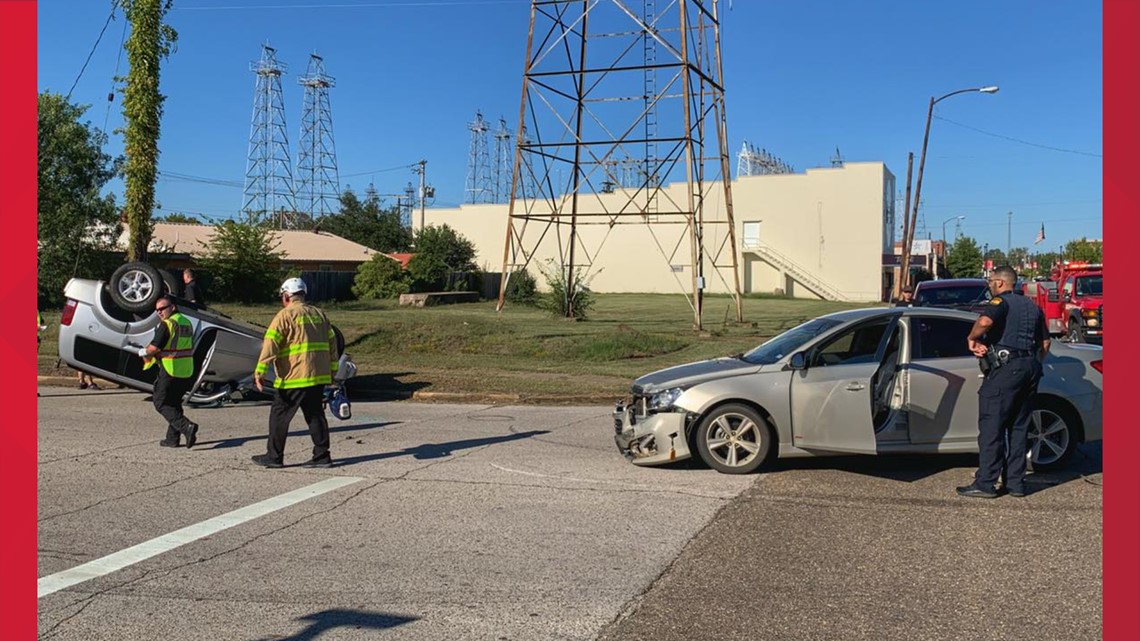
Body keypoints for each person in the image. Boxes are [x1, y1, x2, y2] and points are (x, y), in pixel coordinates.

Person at [957, 265, 1049, 499]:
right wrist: (1031, 362)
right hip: (1031, 369)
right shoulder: (1033, 307)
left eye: (990, 281)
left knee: (992, 427)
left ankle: (985, 483)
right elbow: (1045, 344)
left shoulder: (1000, 303)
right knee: (1019, 429)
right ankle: (1016, 484)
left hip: (1006, 370)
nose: (989, 285)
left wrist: (971, 337)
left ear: (999, 282)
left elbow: (986, 322)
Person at [251, 277, 340, 469]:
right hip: (318, 376)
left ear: (286, 296)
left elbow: (270, 344)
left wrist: (260, 371)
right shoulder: (320, 315)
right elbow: (333, 346)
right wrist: (333, 372)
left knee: (279, 416)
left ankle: (274, 456)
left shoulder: (285, 315)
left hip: (294, 376)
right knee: (315, 415)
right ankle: (322, 455)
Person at [140, 296, 199, 448]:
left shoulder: (167, 324)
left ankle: (186, 426)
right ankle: (172, 439)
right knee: (174, 403)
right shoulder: (186, 322)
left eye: (162, 308)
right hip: (186, 369)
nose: (159, 312)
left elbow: (154, 348)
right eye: (157, 310)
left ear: (172, 307)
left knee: (160, 402)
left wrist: (142, 352)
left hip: (170, 369)